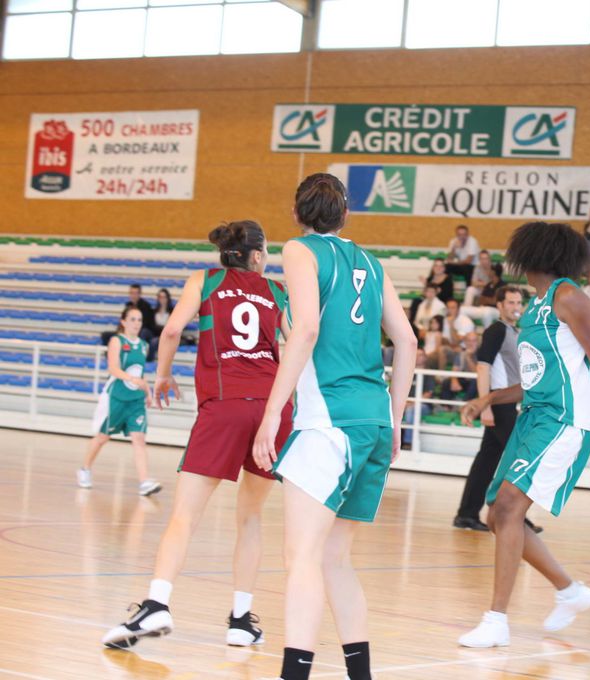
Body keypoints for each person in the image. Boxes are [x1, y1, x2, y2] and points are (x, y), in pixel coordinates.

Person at [251, 173, 417, 680]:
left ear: (299, 213)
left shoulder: (300, 250)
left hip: (329, 422)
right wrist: (394, 419)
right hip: (373, 422)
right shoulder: (370, 260)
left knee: (299, 556)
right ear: (345, 215)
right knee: (334, 559)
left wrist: (272, 414)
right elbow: (408, 343)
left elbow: (306, 330)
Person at [101, 220, 293, 650]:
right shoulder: (278, 291)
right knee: (251, 517)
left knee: (185, 516)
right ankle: (241, 620)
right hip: (272, 412)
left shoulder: (204, 281)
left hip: (224, 406)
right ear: (258, 255)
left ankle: (157, 603)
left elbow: (170, 331)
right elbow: (293, 347)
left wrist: (164, 374)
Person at [457, 221, 590, 648]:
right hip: (535, 416)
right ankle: (570, 592)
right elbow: (534, 379)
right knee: (496, 515)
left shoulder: (569, 297)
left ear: (533, 255)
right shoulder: (534, 307)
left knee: (508, 508)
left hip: (565, 421)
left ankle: (497, 620)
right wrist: (487, 400)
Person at [453, 286, 527, 532]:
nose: (516, 307)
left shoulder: (514, 332)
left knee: (486, 460)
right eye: (511, 302)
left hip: (506, 403)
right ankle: (514, 515)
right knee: (517, 459)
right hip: (499, 406)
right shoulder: (496, 330)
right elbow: (483, 367)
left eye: (519, 302)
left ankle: (467, 514)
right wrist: (485, 406)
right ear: (500, 306)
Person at [78, 306, 161, 497]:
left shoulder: (143, 345)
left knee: (139, 438)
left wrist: (147, 392)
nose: (136, 323)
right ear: (123, 321)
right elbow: (113, 369)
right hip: (116, 396)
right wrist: (132, 380)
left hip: (135, 400)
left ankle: (144, 482)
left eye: (139, 320)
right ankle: (85, 469)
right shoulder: (116, 340)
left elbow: (140, 373)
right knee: (102, 437)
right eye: (132, 319)